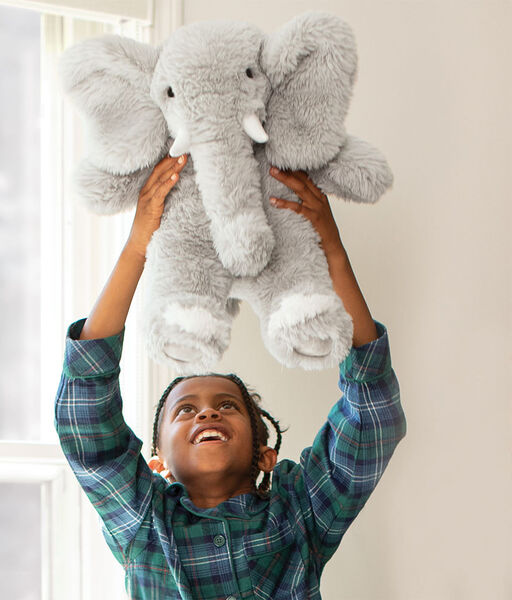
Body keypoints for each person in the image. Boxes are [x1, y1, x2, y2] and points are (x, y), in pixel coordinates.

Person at [55, 154, 406, 599]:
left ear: (264, 456)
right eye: (186, 410)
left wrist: (331, 252)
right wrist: (137, 247)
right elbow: (86, 419)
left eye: (227, 406)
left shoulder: (300, 511)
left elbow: (373, 417)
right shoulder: (145, 520)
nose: (207, 414)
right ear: (158, 464)